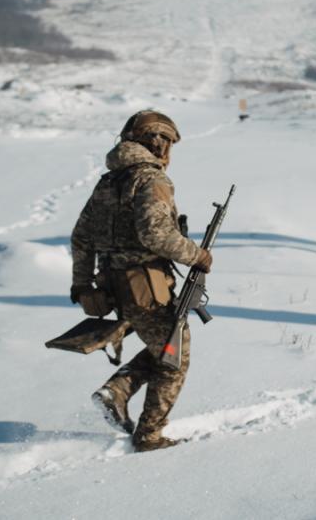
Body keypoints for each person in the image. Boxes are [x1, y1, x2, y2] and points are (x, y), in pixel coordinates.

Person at [69, 110, 212, 452]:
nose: (168, 152)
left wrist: (83, 284)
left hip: (114, 287)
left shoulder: (109, 182)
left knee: (162, 349)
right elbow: (155, 234)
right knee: (175, 358)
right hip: (146, 287)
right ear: (156, 141)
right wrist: (197, 255)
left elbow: (81, 238)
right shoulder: (151, 180)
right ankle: (149, 435)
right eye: (167, 143)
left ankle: (115, 392)